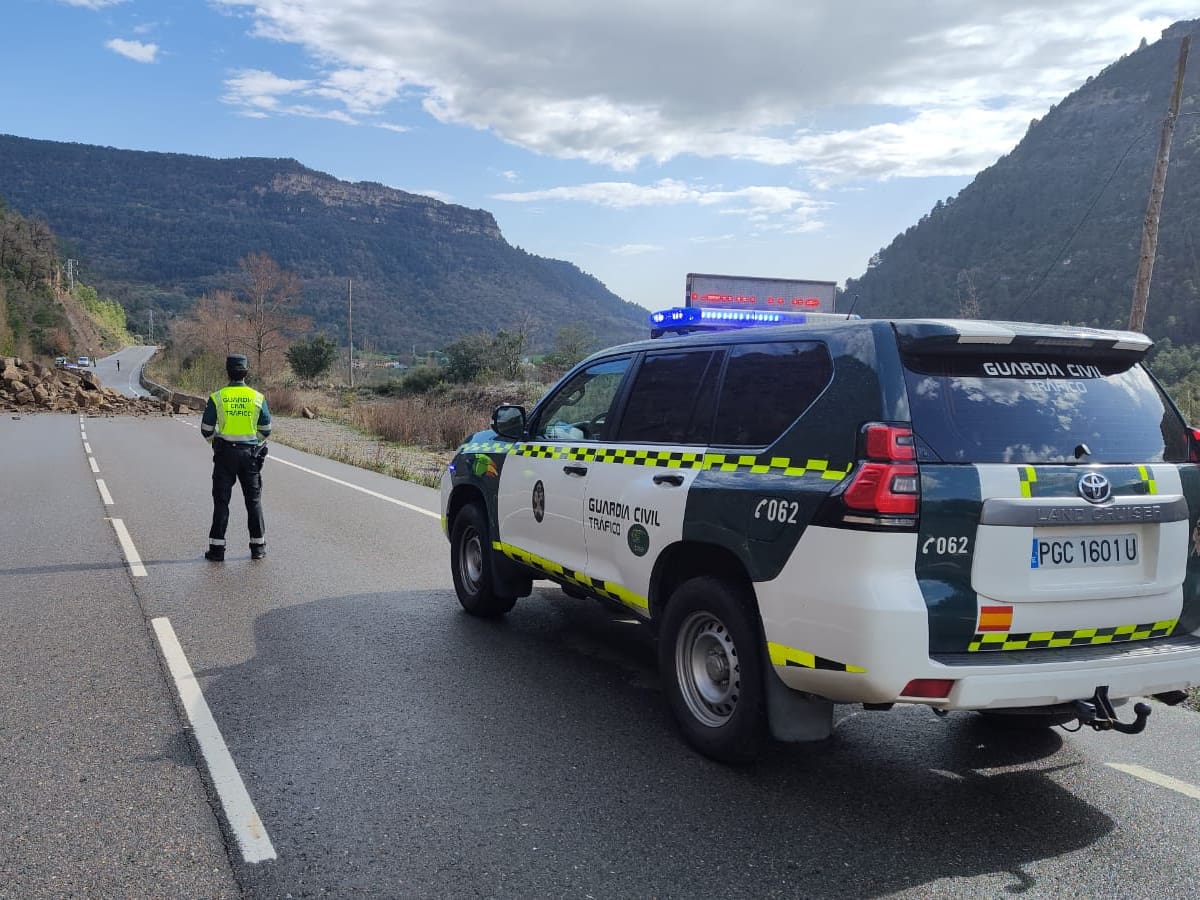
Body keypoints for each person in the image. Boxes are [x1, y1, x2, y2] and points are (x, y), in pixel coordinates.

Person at [200, 354, 272, 561]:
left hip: (225, 455)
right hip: (250, 456)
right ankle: (257, 548)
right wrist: (253, 441)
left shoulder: (218, 397)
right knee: (253, 501)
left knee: (221, 502)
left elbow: (206, 428)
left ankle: (217, 550)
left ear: (228, 372)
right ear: (246, 372)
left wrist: (216, 444)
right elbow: (266, 429)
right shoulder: (257, 397)